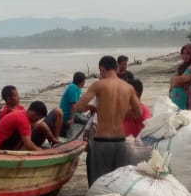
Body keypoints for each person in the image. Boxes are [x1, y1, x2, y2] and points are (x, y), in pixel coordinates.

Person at [73, 55, 142, 185]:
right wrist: (121, 113)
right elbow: (138, 112)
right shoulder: (128, 87)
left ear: (102, 69)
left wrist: (96, 106)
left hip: (102, 141)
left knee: (100, 182)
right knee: (117, 182)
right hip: (120, 141)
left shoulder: (99, 85)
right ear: (116, 68)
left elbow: (80, 107)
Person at [58, 72, 88, 136]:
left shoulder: (76, 88)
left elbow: (78, 104)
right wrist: (72, 119)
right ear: (82, 81)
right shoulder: (73, 88)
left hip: (72, 112)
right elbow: (73, 105)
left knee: (88, 118)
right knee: (88, 122)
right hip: (67, 115)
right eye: (84, 81)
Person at [169, 44, 191, 110]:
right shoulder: (181, 67)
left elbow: (177, 81)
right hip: (176, 98)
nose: (185, 56)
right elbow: (173, 81)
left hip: (186, 99)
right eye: (183, 53)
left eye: (188, 53)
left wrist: (175, 81)